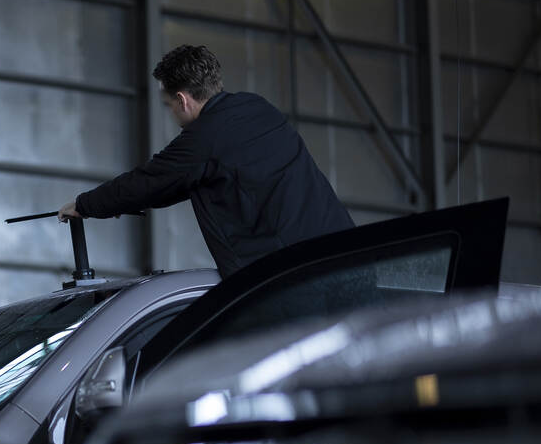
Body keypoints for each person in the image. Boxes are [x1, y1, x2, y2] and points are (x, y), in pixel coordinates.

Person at [58, 45, 354, 278]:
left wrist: (85, 204)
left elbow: (151, 181)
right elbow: (178, 182)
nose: (171, 113)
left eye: (169, 105)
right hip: (343, 253)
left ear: (182, 100)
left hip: (292, 274)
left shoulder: (204, 139)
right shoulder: (257, 107)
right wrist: (115, 205)